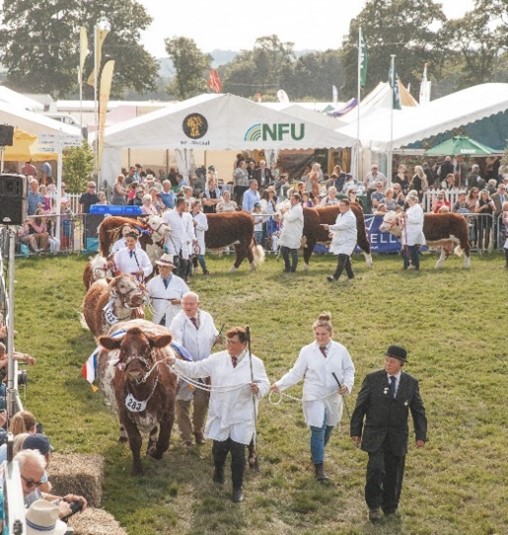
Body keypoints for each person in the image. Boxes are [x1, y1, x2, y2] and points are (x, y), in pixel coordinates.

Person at [169, 326, 269, 503]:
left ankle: (237, 487)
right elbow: (195, 369)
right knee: (219, 449)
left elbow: (264, 382)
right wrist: (175, 363)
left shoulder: (255, 363)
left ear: (244, 344)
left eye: (234, 342)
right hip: (221, 412)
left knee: (238, 452)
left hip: (242, 414)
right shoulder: (217, 359)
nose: (229, 345)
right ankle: (218, 470)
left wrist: (258, 387)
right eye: (228, 341)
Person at [271, 313, 355, 482]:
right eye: (317, 334)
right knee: (318, 428)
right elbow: (296, 373)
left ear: (330, 333)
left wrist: (347, 385)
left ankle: (317, 452)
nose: (320, 337)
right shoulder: (307, 351)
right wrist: (280, 385)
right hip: (313, 395)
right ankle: (319, 467)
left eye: (323, 334)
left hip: (333, 396)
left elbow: (349, 369)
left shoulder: (340, 350)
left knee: (329, 426)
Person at [350, 345, 427, 523]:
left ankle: (390, 507)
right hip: (375, 435)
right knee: (375, 470)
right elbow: (360, 406)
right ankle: (374, 506)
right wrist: (356, 430)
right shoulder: (372, 379)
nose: (388, 364)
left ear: (401, 363)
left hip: (397, 437)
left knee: (394, 473)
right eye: (386, 360)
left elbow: (418, 411)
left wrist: (421, 435)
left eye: (392, 361)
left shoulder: (410, 383)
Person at [169, 292, 220, 447]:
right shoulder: (178, 321)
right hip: (184, 368)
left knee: (201, 401)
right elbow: (176, 342)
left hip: (203, 367)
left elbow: (213, 333)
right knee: (182, 402)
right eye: (185, 304)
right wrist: (183, 360)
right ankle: (186, 437)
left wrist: (217, 338)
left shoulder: (206, 317)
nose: (188, 307)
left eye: (191, 304)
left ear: (198, 304)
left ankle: (198, 430)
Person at [146, 254, 189, 329]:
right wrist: (142, 292)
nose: (162, 268)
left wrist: (179, 301)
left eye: (165, 266)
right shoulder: (152, 282)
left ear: (171, 268)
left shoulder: (179, 282)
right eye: (160, 266)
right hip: (158, 320)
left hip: (175, 319)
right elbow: (146, 301)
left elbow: (189, 300)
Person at [323, 199, 357, 282]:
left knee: (342, 257)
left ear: (348, 206)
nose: (340, 207)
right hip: (342, 239)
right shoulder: (340, 215)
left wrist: (329, 227)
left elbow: (342, 226)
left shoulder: (350, 216)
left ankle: (335, 277)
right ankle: (351, 275)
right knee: (346, 258)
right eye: (340, 205)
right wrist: (333, 233)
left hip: (349, 240)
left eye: (342, 205)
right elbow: (337, 225)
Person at [163, 197, 196, 281]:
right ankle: (174, 279)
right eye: (185, 204)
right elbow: (164, 228)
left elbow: (190, 228)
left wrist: (193, 238)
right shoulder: (168, 215)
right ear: (180, 204)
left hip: (185, 241)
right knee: (175, 262)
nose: (187, 206)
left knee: (186, 262)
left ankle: (183, 278)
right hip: (172, 241)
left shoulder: (188, 216)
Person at [278, 193, 304, 273]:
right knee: (283, 249)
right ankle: (288, 267)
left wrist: (284, 213)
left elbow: (290, 219)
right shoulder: (292, 208)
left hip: (294, 233)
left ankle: (292, 269)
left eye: (293, 200)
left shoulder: (298, 209)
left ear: (297, 200)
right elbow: (287, 219)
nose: (291, 201)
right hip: (288, 232)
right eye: (290, 199)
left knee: (293, 250)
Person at [399, 194, 425, 270]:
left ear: (414, 200)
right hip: (408, 231)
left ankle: (416, 265)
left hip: (414, 230)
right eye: (408, 201)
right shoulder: (410, 208)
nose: (408, 202)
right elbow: (407, 218)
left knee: (412, 249)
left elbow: (417, 220)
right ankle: (407, 265)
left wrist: (407, 216)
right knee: (405, 248)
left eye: (410, 201)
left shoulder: (418, 208)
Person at [190, 200, 210, 275]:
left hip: (199, 238)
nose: (200, 208)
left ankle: (205, 269)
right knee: (190, 256)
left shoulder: (202, 216)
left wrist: (196, 224)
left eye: (200, 206)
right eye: (198, 206)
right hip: (190, 239)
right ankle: (189, 273)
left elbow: (206, 227)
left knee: (200, 256)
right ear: (194, 207)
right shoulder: (188, 215)